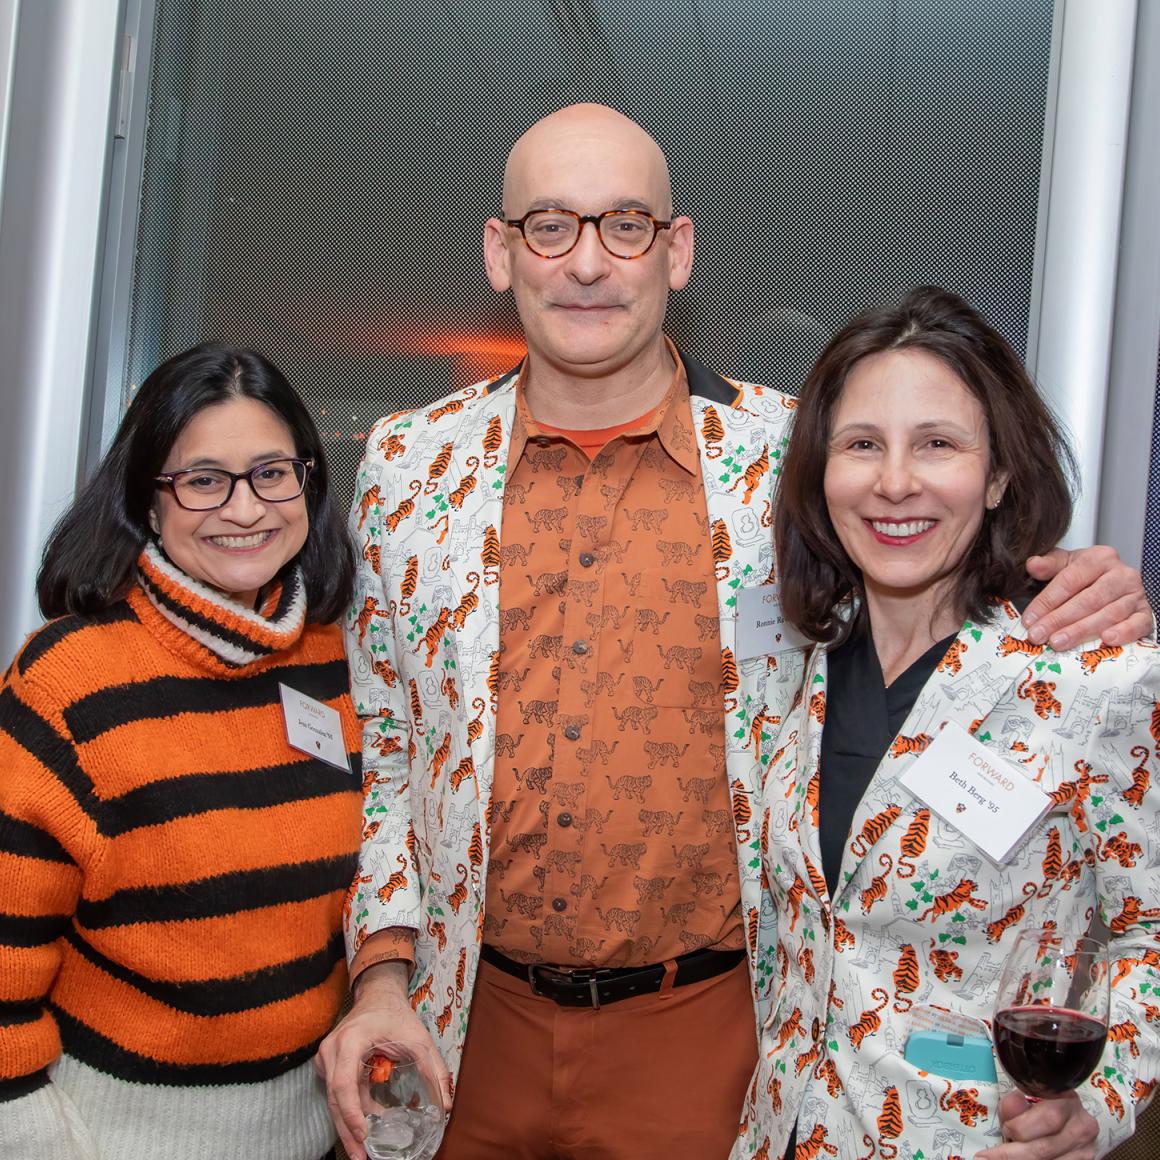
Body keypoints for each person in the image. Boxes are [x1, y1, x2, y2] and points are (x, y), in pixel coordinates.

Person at [317, 106, 1153, 1160]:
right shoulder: (406, 467)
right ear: (499, 250)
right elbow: (388, 753)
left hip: (714, 1040)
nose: (587, 263)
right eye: (549, 227)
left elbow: (934, 568)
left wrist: (1085, 584)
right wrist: (381, 973)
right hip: (460, 1026)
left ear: (676, 250)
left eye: (624, 225)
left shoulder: (787, 463)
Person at [742, 286, 1159, 1160]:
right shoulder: (786, 665)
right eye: (862, 445)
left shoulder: (1097, 680)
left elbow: (1149, 932)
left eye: (938, 443)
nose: (896, 481)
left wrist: (1101, 1104)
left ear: (999, 473)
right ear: (823, 471)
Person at [0, 344, 362, 1160]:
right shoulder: (68, 681)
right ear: (147, 501)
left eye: (272, 471)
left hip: (314, 1133)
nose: (245, 508)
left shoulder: (334, 660)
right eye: (203, 479)